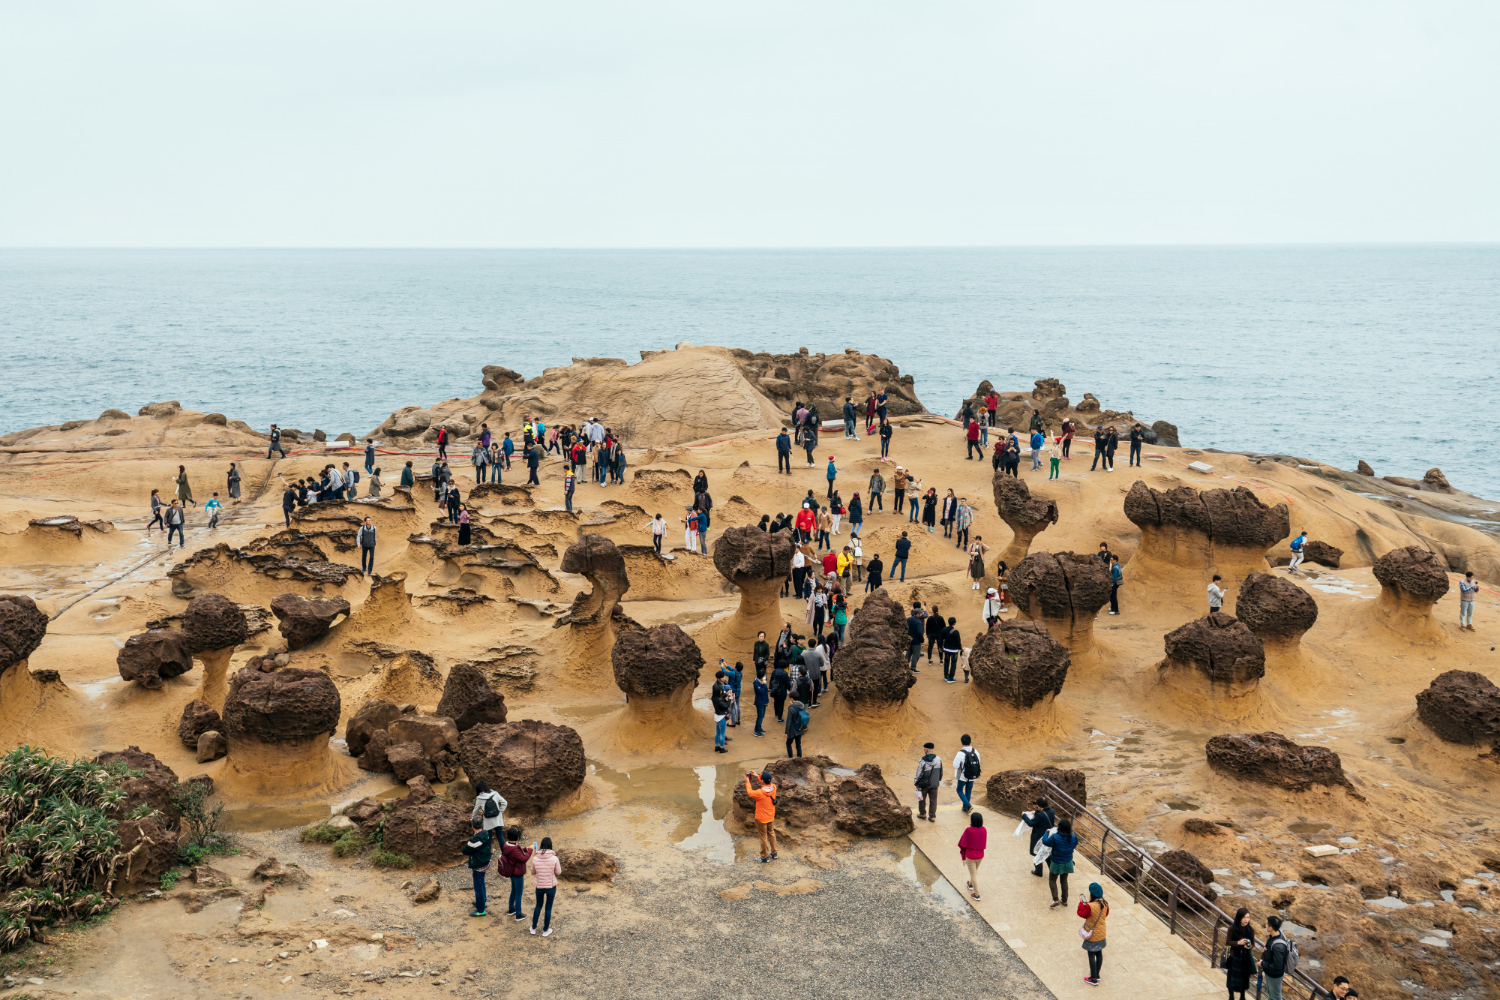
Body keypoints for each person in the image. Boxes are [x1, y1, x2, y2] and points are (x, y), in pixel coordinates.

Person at [527, 837, 561, 936]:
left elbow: (533, 872)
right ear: (551, 846)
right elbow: (558, 872)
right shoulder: (555, 858)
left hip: (539, 886)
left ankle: (533, 928)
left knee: (538, 905)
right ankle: (545, 930)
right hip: (551, 886)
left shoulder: (535, 858)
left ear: (541, 846)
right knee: (548, 908)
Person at [1079, 882, 1109, 985]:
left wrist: (1082, 904)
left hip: (1092, 934)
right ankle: (1097, 974)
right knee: (1099, 953)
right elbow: (1106, 914)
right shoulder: (1105, 903)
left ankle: (1093, 978)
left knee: (1091, 954)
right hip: (1102, 932)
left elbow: (1081, 913)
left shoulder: (1090, 906)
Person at [746, 771, 779, 862]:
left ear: (763, 781)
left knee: (763, 837)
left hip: (761, 819)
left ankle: (764, 857)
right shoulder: (774, 787)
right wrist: (757, 776)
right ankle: (774, 853)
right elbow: (765, 783)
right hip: (770, 816)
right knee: (771, 833)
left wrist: (747, 782)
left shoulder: (759, 793)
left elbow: (750, 792)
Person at [1043, 818, 1077, 906]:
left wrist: (1046, 832)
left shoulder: (1055, 837)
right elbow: (1074, 845)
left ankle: (1055, 899)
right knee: (1064, 880)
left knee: (1052, 879)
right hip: (1068, 862)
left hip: (1056, 862)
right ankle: (1064, 900)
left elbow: (1045, 841)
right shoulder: (1073, 837)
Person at [462, 818, 492, 917]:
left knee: (478, 887)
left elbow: (465, 850)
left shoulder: (474, 840)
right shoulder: (486, 834)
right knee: (482, 883)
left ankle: (480, 910)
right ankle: (483, 901)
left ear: (472, 826)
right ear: (482, 825)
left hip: (478, 865)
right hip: (485, 862)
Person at [1225, 907, 1257, 1000]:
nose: (1246, 920)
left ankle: (1242, 997)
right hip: (1234, 957)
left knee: (1244, 978)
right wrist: (1238, 943)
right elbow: (1228, 941)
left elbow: (1253, 944)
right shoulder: (1232, 928)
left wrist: (1249, 946)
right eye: (1244, 917)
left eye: (1248, 917)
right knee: (1231, 979)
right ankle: (1231, 997)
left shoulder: (1250, 930)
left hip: (1245, 958)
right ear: (1239, 918)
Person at [1021, 796, 1055, 875]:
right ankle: (1052, 870)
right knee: (1047, 852)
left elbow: (1030, 823)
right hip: (1048, 835)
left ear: (1039, 805)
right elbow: (1044, 815)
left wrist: (1024, 816)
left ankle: (1038, 871)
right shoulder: (1052, 811)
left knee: (1036, 852)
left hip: (1038, 836)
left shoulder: (1040, 815)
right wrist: (1036, 812)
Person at [958, 811, 987, 901]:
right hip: (980, 855)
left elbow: (962, 844)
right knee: (974, 871)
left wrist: (963, 858)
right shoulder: (984, 829)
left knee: (973, 874)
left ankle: (977, 894)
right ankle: (970, 884)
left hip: (971, 856)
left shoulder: (968, 830)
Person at [1261, 914, 1291, 1000]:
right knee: (1271, 995)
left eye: (1266, 924)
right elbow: (1271, 951)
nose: (1265, 925)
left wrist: (1263, 963)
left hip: (1274, 976)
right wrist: (1267, 950)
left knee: (1276, 997)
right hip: (1270, 974)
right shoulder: (1277, 935)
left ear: (1271, 928)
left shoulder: (1278, 946)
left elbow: (1277, 966)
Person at [914, 743, 942, 821]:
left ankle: (922, 814)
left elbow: (919, 773)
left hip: (924, 784)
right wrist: (937, 780)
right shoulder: (938, 759)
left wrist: (916, 782)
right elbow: (941, 772)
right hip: (934, 784)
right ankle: (932, 816)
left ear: (926, 749)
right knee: (933, 800)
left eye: (924, 749)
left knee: (921, 799)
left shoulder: (923, 760)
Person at [953, 735, 981, 812]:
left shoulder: (960, 753)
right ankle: (965, 808)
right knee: (968, 791)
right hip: (972, 775)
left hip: (962, 776)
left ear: (962, 742)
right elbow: (979, 762)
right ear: (970, 741)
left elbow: (955, 765)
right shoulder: (975, 751)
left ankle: (968, 805)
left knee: (959, 790)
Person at [711, 669, 732, 752]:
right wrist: (729, 699)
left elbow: (720, 698)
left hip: (717, 716)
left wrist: (725, 695)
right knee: (722, 734)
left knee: (717, 733)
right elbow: (726, 706)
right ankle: (722, 748)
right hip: (721, 717)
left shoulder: (715, 698)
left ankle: (716, 746)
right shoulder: (719, 699)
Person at [906, 602, 925, 671]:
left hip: (909, 639)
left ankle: (904, 666)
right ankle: (913, 668)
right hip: (916, 641)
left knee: (908, 653)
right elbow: (920, 632)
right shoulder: (918, 622)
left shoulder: (908, 619)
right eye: (920, 613)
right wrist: (922, 640)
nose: (921, 614)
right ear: (917, 614)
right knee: (915, 655)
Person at [941, 617, 962, 682]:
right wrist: (960, 648)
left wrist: (940, 647)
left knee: (946, 662)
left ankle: (945, 676)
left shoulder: (944, 629)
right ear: (954, 623)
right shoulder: (956, 632)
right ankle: (950, 678)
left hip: (946, 649)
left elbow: (941, 639)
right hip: (954, 650)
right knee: (953, 663)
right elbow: (958, 642)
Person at [752, 667, 770, 737]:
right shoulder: (756, 683)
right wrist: (765, 685)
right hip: (760, 702)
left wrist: (767, 689)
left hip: (764, 701)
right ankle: (756, 731)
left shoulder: (761, 682)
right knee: (760, 716)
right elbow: (761, 691)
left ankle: (759, 728)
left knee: (762, 716)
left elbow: (765, 690)